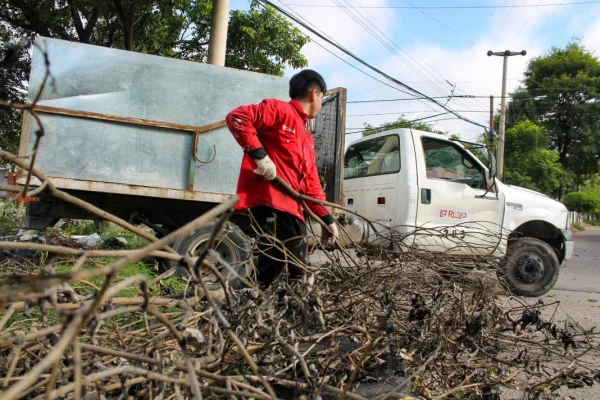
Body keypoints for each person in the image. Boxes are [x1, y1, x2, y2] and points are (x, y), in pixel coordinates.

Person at [226, 69, 338, 287]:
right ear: (314, 94)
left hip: (293, 210)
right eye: (322, 98)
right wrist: (259, 155)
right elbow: (238, 117)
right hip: (271, 205)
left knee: (289, 269)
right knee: (280, 266)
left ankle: (263, 308)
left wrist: (327, 219)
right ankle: (257, 307)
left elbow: (311, 183)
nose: (321, 104)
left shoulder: (306, 138)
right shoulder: (280, 110)